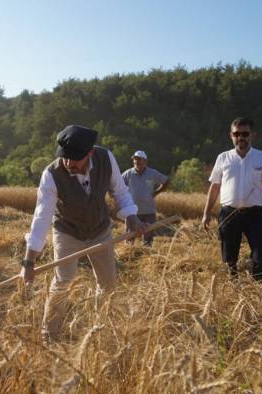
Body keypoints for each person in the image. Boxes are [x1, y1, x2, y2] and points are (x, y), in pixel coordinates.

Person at [20, 125, 147, 342]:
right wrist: (29, 261)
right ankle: (50, 335)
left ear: (89, 154)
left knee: (108, 283)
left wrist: (132, 217)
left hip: (99, 229)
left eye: (75, 159)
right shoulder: (51, 174)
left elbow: (120, 192)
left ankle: (101, 330)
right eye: (65, 158)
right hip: (67, 231)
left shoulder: (106, 158)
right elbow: (41, 217)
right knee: (63, 280)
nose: (69, 164)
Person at [202, 117, 262, 281]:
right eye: (237, 134)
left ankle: (258, 293)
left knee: (261, 257)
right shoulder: (223, 158)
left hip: (256, 215)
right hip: (229, 215)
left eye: (245, 133)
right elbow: (214, 187)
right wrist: (206, 213)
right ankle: (233, 290)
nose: (240, 137)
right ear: (231, 135)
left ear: (253, 135)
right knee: (229, 259)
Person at [122, 150, 169, 245]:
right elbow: (118, 185)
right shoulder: (128, 174)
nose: (136, 162)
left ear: (145, 161)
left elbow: (166, 181)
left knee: (148, 237)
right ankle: (128, 256)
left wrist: (157, 192)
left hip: (149, 211)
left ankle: (146, 256)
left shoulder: (152, 173)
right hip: (132, 212)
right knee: (130, 236)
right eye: (135, 159)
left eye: (139, 159)